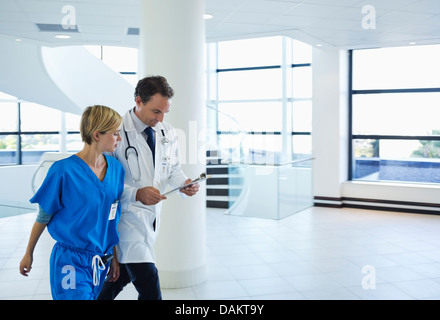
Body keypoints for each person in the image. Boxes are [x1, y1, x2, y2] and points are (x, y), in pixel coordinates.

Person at [97, 76, 199, 300]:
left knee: (119, 278)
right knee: (150, 285)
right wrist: (136, 193)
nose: (161, 118)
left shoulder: (167, 131)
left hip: (150, 221)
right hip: (124, 222)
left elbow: (172, 170)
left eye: (165, 112)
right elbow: (102, 181)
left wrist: (183, 183)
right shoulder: (115, 132)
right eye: (156, 112)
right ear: (138, 101)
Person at [19, 105, 125, 300]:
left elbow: (111, 217)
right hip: (70, 260)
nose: (119, 138)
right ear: (97, 135)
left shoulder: (117, 170)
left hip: (100, 260)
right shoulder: (62, 171)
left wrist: (114, 256)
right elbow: (43, 216)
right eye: (116, 133)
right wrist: (28, 253)